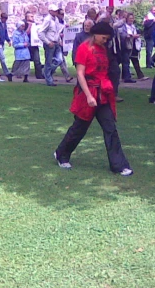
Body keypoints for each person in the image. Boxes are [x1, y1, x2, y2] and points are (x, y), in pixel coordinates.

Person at [53, 21, 133, 176]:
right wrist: (89, 96)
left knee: (110, 128)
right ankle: (61, 154)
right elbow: (80, 74)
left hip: (103, 94)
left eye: (107, 38)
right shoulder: (84, 48)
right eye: (104, 38)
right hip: (88, 94)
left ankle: (119, 165)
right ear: (95, 34)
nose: (105, 41)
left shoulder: (104, 49)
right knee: (79, 128)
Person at [39, 4, 63, 87]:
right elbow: (40, 32)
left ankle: (46, 72)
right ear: (50, 11)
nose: (56, 12)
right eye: (54, 10)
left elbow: (56, 32)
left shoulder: (56, 19)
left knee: (59, 60)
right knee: (49, 62)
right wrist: (47, 42)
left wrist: (59, 40)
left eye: (56, 10)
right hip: (50, 43)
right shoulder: (47, 20)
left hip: (56, 43)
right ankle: (49, 80)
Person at [119, 12, 146, 81]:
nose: (131, 20)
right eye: (130, 18)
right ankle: (127, 77)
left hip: (133, 45)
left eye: (132, 18)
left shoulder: (133, 26)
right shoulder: (123, 26)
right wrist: (132, 36)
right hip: (126, 45)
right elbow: (123, 35)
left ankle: (139, 75)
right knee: (126, 62)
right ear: (127, 19)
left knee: (135, 60)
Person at [0, 12, 12, 81]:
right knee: (1, 58)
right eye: (4, 19)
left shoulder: (4, 24)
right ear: (2, 18)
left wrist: (8, 40)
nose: (5, 21)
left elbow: (5, 33)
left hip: (2, 43)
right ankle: (7, 73)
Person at [26, 12, 45, 79]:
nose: (33, 18)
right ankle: (23, 73)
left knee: (37, 60)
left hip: (35, 44)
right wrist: (29, 26)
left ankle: (39, 75)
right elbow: (25, 33)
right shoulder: (24, 24)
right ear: (27, 17)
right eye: (31, 16)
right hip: (27, 44)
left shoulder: (35, 24)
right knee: (25, 60)